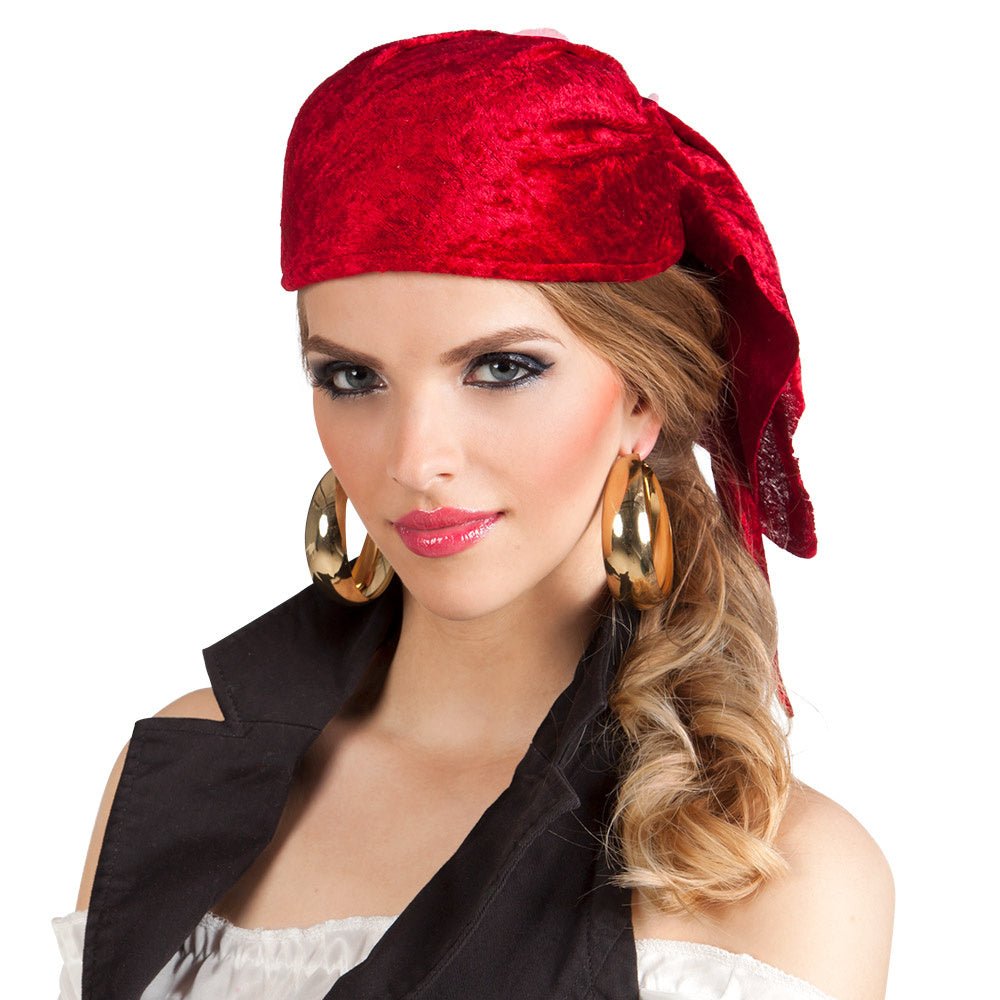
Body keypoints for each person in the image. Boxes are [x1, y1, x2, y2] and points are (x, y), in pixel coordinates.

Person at [52, 27, 894, 1000]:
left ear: (640, 398)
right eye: (353, 377)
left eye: (500, 367)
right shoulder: (181, 775)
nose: (415, 459)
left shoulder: (772, 875)